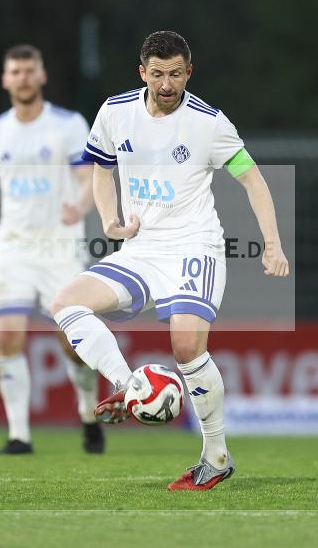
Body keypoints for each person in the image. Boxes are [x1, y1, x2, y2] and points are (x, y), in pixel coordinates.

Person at [51, 31, 289, 490]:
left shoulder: (209, 123)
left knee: (185, 348)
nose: (166, 83)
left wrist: (273, 244)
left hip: (194, 247)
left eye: (175, 73)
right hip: (142, 249)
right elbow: (101, 167)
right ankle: (129, 384)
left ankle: (216, 457)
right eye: (157, 73)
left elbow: (254, 181)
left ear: (189, 72)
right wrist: (110, 221)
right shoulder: (115, 111)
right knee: (66, 302)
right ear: (142, 72)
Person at [0, 44, 104, 455]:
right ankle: (19, 435)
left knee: (71, 341)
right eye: (16, 71)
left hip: (60, 248)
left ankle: (87, 410)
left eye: (30, 70)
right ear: (5, 79)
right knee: (7, 335)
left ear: (42, 76)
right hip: (13, 248)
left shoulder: (67, 125)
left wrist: (80, 204)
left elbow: (89, 177)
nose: (23, 78)